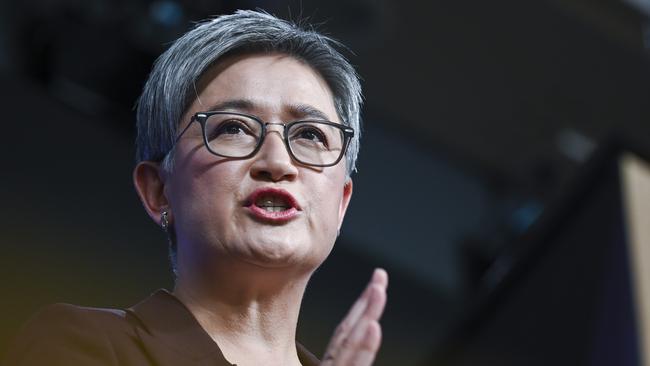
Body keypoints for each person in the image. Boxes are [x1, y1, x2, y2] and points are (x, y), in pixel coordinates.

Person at [2, 9, 388, 366]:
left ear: (341, 204)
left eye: (310, 135)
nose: (276, 162)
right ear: (158, 190)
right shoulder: (83, 344)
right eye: (232, 128)